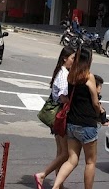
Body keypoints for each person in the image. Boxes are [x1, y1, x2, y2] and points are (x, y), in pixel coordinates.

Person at [51, 47, 103, 189]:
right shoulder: (88, 76)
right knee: (90, 162)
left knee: (72, 160)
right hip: (86, 124)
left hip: (72, 123)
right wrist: (99, 113)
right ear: (88, 59)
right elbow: (95, 102)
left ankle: (55, 186)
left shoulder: (71, 76)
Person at [34, 47, 75, 189]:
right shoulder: (64, 75)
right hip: (59, 116)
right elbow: (63, 97)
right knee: (65, 153)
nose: (74, 61)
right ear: (65, 58)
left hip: (57, 116)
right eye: (72, 58)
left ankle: (59, 184)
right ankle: (42, 175)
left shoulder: (61, 72)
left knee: (60, 152)